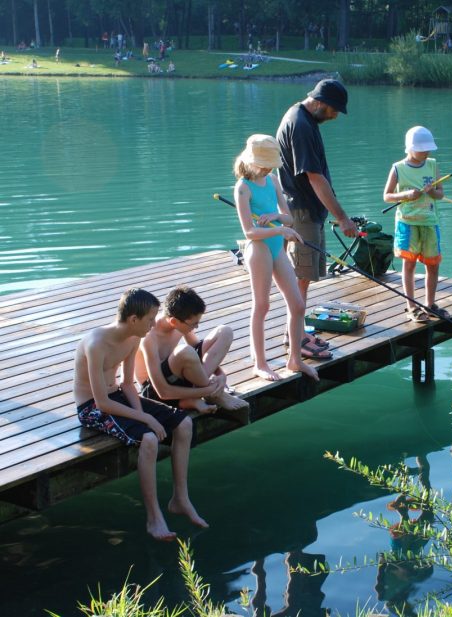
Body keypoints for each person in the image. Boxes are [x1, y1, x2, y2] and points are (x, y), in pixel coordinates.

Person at [72, 288, 206, 541]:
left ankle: (180, 498)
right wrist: (145, 418)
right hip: (92, 406)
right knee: (149, 439)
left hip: (118, 397)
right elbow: (101, 403)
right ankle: (154, 518)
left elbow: (127, 385)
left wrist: (139, 412)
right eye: (150, 319)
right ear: (134, 319)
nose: (154, 324)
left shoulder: (134, 337)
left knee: (184, 424)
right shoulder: (96, 343)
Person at [233, 134, 327, 381]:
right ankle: (260, 363)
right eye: (263, 163)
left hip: (276, 247)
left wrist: (275, 219)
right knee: (262, 305)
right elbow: (249, 232)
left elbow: (289, 217)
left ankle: (295, 360)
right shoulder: (243, 187)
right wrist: (279, 230)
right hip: (259, 249)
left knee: (297, 305)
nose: (266, 168)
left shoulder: (272, 180)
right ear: (251, 159)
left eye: (269, 164)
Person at [276, 78, 357, 353]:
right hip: (301, 211)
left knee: (305, 277)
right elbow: (314, 178)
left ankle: (296, 333)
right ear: (321, 103)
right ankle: (296, 340)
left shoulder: (305, 119)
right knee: (301, 276)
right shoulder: (299, 125)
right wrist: (342, 217)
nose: (335, 116)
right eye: (334, 110)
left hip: (309, 211)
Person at [136, 286, 248, 414]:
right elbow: (162, 392)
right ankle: (215, 394)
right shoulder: (150, 337)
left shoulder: (179, 323)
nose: (197, 327)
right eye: (193, 324)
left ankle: (203, 390)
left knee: (225, 331)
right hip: (156, 389)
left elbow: (199, 350)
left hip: (180, 376)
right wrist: (209, 390)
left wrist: (220, 375)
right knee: (184, 351)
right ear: (174, 321)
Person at [383, 126, 450, 323]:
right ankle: (411, 306)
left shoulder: (432, 165)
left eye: (428, 149)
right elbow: (387, 196)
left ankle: (430, 304)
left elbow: (440, 194)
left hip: (430, 222)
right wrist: (405, 195)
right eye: (423, 149)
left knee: (433, 264)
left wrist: (431, 192)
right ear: (410, 148)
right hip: (408, 223)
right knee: (409, 263)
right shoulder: (398, 168)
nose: (427, 152)